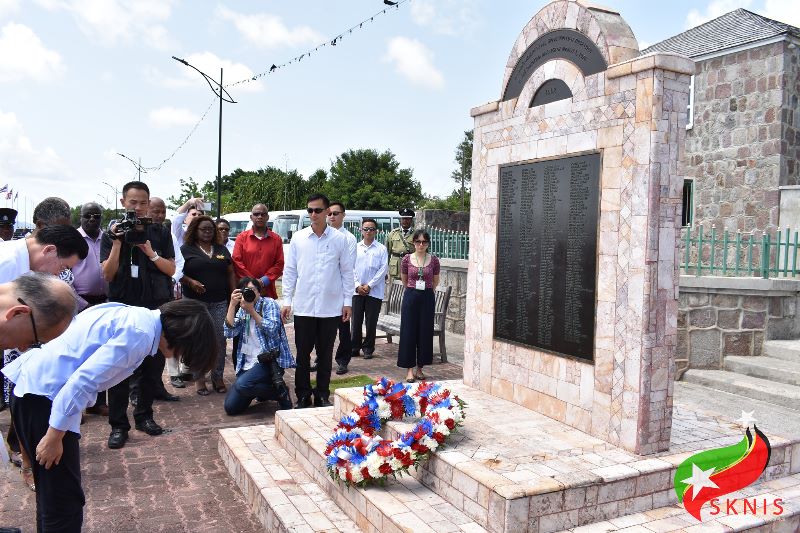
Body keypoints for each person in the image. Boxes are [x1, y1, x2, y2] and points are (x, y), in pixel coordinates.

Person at [2, 298, 217, 533]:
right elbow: (81, 383)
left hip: (36, 391)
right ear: (182, 336)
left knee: (53, 497)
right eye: (186, 351)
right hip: (45, 400)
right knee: (64, 504)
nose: (178, 357)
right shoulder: (140, 336)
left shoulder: (137, 315)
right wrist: (54, 436)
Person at [100, 181, 177, 449]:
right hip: (122, 308)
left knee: (151, 367)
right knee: (119, 369)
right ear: (123, 203)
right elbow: (107, 274)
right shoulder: (111, 232)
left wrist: (151, 252)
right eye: (132, 202)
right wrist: (119, 242)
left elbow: (170, 270)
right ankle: (118, 425)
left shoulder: (160, 231)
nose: (138, 207)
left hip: (154, 308)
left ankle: (144, 416)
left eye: (142, 202)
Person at [281, 194, 354, 408]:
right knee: (302, 355)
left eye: (318, 210)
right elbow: (290, 271)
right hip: (304, 307)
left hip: (330, 308)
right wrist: (287, 300)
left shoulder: (340, 240)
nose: (313, 214)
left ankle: (322, 394)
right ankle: (303, 394)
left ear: (326, 212)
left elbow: (347, 272)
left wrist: (347, 301)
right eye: (310, 210)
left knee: (325, 354)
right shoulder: (299, 238)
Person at [180, 215, 236, 395]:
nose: (207, 232)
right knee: (199, 341)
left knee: (220, 339)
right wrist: (190, 282)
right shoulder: (186, 249)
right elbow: (176, 272)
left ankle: (217, 376)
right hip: (195, 303)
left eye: (210, 229)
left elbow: (230, 273)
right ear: (195, 231)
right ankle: (199, 379)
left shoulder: (221, 249)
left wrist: (234, 296)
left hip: (219, 302)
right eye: (203, 229)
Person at [223, 278, 295, 414]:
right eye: (246, 291)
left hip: (268, 361)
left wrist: (252, 312)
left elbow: (273, 330)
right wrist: (232, 305)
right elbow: (229, 332)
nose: (249, 294)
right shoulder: (242, 308)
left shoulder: (269, 304)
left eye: (253, 290)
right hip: (247, 363)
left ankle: (280, 392)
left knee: (242, 384)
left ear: (259, 291)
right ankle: (263, 389)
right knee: (231, 408)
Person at [70, 202, 110, 416]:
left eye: (96, 216)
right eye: (88, 216)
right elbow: (66, 276)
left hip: (105, 302)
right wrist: (82, 304)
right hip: (81, 304)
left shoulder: (109, 238)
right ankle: (78, 405)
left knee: (102, 354)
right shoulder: (73, 240)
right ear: (80, 217)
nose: (92, 220)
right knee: (80, 355)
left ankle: (98, 402)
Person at [150, 197, 188, 389]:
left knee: (167, 336)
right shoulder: (135, 234)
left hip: (166, 294)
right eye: (155, 211)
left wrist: (172, 278)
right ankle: (143, 390)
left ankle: (165, 382)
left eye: (162, 212)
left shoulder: (168, 235)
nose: (159, 215)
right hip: (142, 298)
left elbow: (178, 263)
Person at [346, 218, 388, 373]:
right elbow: (349, 268)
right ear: (361, 230)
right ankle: (355, 346)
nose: (368, 231)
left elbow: (383, 269)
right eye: (366, 229)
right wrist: (357, 285)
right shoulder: (355, 248)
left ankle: (368, 348)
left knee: (371, 321)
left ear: (376, 231)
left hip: (374, 291)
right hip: (356, 290)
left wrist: (369, 285)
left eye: (371, 229)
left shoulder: (382, 249)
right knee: (356, 320)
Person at [397, 229, 440, 383]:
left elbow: (435, 280)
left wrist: (428, 291)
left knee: (424, 333)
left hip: (427, 297)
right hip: (411, 297)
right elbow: (404, 279)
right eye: (418, 241)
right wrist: (412, 290)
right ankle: (409, 369)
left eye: (424, 242)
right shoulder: (407, 259)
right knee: (409, 332)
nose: (421, 244)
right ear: (413, 243)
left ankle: (420, 368)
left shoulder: (434, 260)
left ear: (428, 243)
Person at [325, 202, 357, 374]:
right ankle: (321, 359)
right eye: (329, 213)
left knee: (343, 328)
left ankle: (343, 360)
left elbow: (347, 267)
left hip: (341, 289)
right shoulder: (323, 234)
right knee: (321, 328)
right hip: (324, 290)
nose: (332, 216)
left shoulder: (349, 238)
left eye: (336, 213)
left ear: (343, 215)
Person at [0, 224, 88, 281]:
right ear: (49, 250)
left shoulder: (27, 265)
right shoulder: (6, 265)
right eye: (62, 267)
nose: (57, 274)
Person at [232, 203, 284, 300]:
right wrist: (254, 283)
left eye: (263, 214)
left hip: (267, 291)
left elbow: (279, 264)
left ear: (267, 217)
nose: (259, 217)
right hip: (245, 290)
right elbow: (237, 261)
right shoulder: (241, 238)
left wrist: (263, 281)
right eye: (256, 214)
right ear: (251, 217)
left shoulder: (276, 239)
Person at [385, 208, 415, 286]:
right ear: (400, 220)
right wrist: (385, 270)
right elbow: (386, 253)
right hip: (395, 267)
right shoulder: (393, 233)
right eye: (403, 219)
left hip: (410, 265)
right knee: (394, 291)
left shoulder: (416, 234)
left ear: (411, 220)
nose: (405, 221)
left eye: (407, 219)